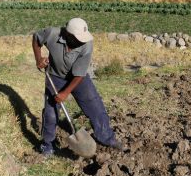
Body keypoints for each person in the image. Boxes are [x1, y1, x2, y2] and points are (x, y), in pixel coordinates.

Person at [32, 17, 124, 158]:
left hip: (77, 79)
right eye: (78, 39)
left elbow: (79, 75)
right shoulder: (52, 33)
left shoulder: (86, 45)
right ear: (68, 35)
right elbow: (36, 39)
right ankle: (47, 144)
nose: (82, 41)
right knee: (51, 113)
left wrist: (65, 93)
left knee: (95, 107)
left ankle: (107, 138)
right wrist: (39, 59)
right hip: (55, 77)